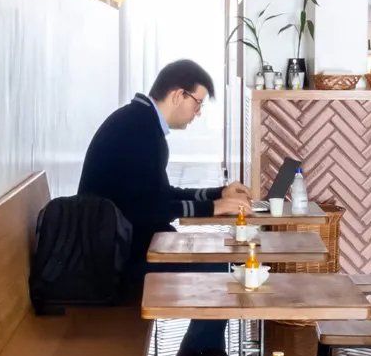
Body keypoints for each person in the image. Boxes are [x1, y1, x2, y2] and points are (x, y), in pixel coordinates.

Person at [79, 59, 249, 271]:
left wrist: (219, 194)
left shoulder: (139, 120)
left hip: (120, 243)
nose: (198, 113)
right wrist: (214, 207)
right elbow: (154, 209)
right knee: (226, 270)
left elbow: (160, 195)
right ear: (178, 95)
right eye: (198, 103)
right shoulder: (141, 130)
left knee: (224, 262)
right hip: (115, 258)